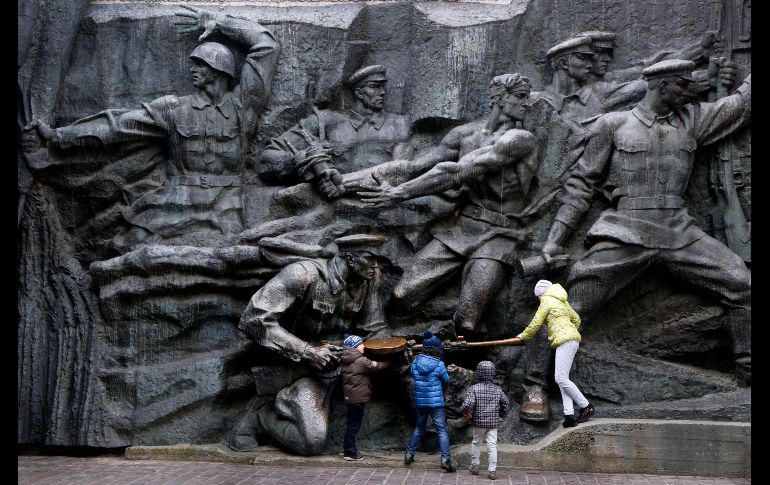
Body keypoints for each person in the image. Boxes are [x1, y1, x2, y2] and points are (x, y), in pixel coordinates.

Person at [541, 60, 751, 387]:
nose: (690, 90)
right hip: (626, 228)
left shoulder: (693, 119)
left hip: (679, 230)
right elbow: (581, 185)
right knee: (569, 304)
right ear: (661, 84)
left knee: (739, 280)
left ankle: (747, 369)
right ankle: (533, 384)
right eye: (683, 84)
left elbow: (740, 105)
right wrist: (555, 239)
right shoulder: (612, 124)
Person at [21, 5, 279, 250]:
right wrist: (57, 136)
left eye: (199, 64)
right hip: (176, 203)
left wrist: (218, 22)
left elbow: (267, 45)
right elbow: (118, 125)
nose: (193, 69)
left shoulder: (242, 108)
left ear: (218, 69)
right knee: (129, 243)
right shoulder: (173, 108)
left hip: (225, 209)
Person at [357, 73, 537, 336]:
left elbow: (455, 172)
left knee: (467, 320)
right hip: (463, 228)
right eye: (520, 97)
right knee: (400, 295)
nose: (526, 104)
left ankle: (437, 346)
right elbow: (414, 167)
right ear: (499, 98)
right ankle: (419, 336)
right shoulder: (464, 135)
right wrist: (345, 181)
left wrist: (399, 194)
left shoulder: (520, 139)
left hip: (500, 236)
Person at [227, 234, 387, 454]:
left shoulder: (370, 279)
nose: (376, 266)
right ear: (351, 259)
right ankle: (260, 417)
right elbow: (253, 320)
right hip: (304, 370)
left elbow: (375, 328)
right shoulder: (303, 275)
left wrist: (393, 349)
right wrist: (307, 351)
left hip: (345, 365)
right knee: (311, 442)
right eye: (371, 259)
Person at [511, 280, 594, 428]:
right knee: (563, 379)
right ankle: (569, 415)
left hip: (565, 340)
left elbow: (536, 323)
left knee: (560, 378)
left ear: (541, 294)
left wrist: (522, 336)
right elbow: (577, 319)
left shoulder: (547, 301)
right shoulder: (562, 302)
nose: (538, 299)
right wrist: (570, 329)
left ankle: (586, 406)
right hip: (570, 339)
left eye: (538, 296)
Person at [404, 345, 456, 472]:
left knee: (419, 428)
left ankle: (409, 454)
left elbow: (413, 374)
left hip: (421, 402)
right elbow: (447, 380)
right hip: (436, 403)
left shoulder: (416, 362)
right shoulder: (439, 364)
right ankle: (445, 460)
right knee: (441, 431)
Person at [340, 333, 391, 461]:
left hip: (351, 397)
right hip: (358, 398)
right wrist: (388, 362)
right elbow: (376, 366)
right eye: (360, 344)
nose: (363, 346)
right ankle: (350, 453)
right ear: (354, 347)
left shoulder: (346, 360)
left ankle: (347, 449)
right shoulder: (361, 361)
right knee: (354, 425)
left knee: (351, 424)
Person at [459, 360, 510, 480]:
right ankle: (492, 470)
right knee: (492, 445)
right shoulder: (497, 389)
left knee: (476, 443)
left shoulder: (474, 388)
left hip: (478, 422)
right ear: (493, 373)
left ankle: (475, 465)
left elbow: (468, 404)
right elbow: (506, 404)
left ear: (479, 373)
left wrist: (464, 412)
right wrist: (501, 415)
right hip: (493, 423)